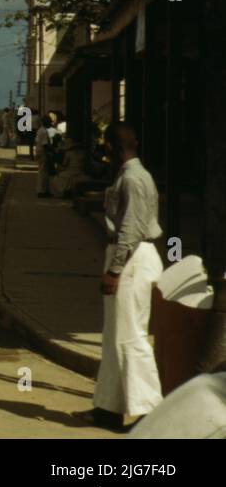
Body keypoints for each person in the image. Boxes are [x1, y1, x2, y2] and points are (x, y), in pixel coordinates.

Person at [82, 122, 164, 432]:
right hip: (130, 256)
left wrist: (114, 270)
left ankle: (149, 411)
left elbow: (130, 229)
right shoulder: (129, 175)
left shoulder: (133, 179)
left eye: (106, 147)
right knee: (114, 338)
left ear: (113, 148)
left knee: (131, 338)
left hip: (132, 259)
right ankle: (108, 409)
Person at [33, 113, 55, 197]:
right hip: (43, 153)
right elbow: (45, 145)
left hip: (39, 152)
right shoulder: (44, 131)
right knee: (43, 173)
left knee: (42, 172)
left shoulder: (40, 130)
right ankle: (42, 191)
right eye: (49, 121)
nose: (50, 123)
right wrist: (51, 152)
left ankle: (44, 190)